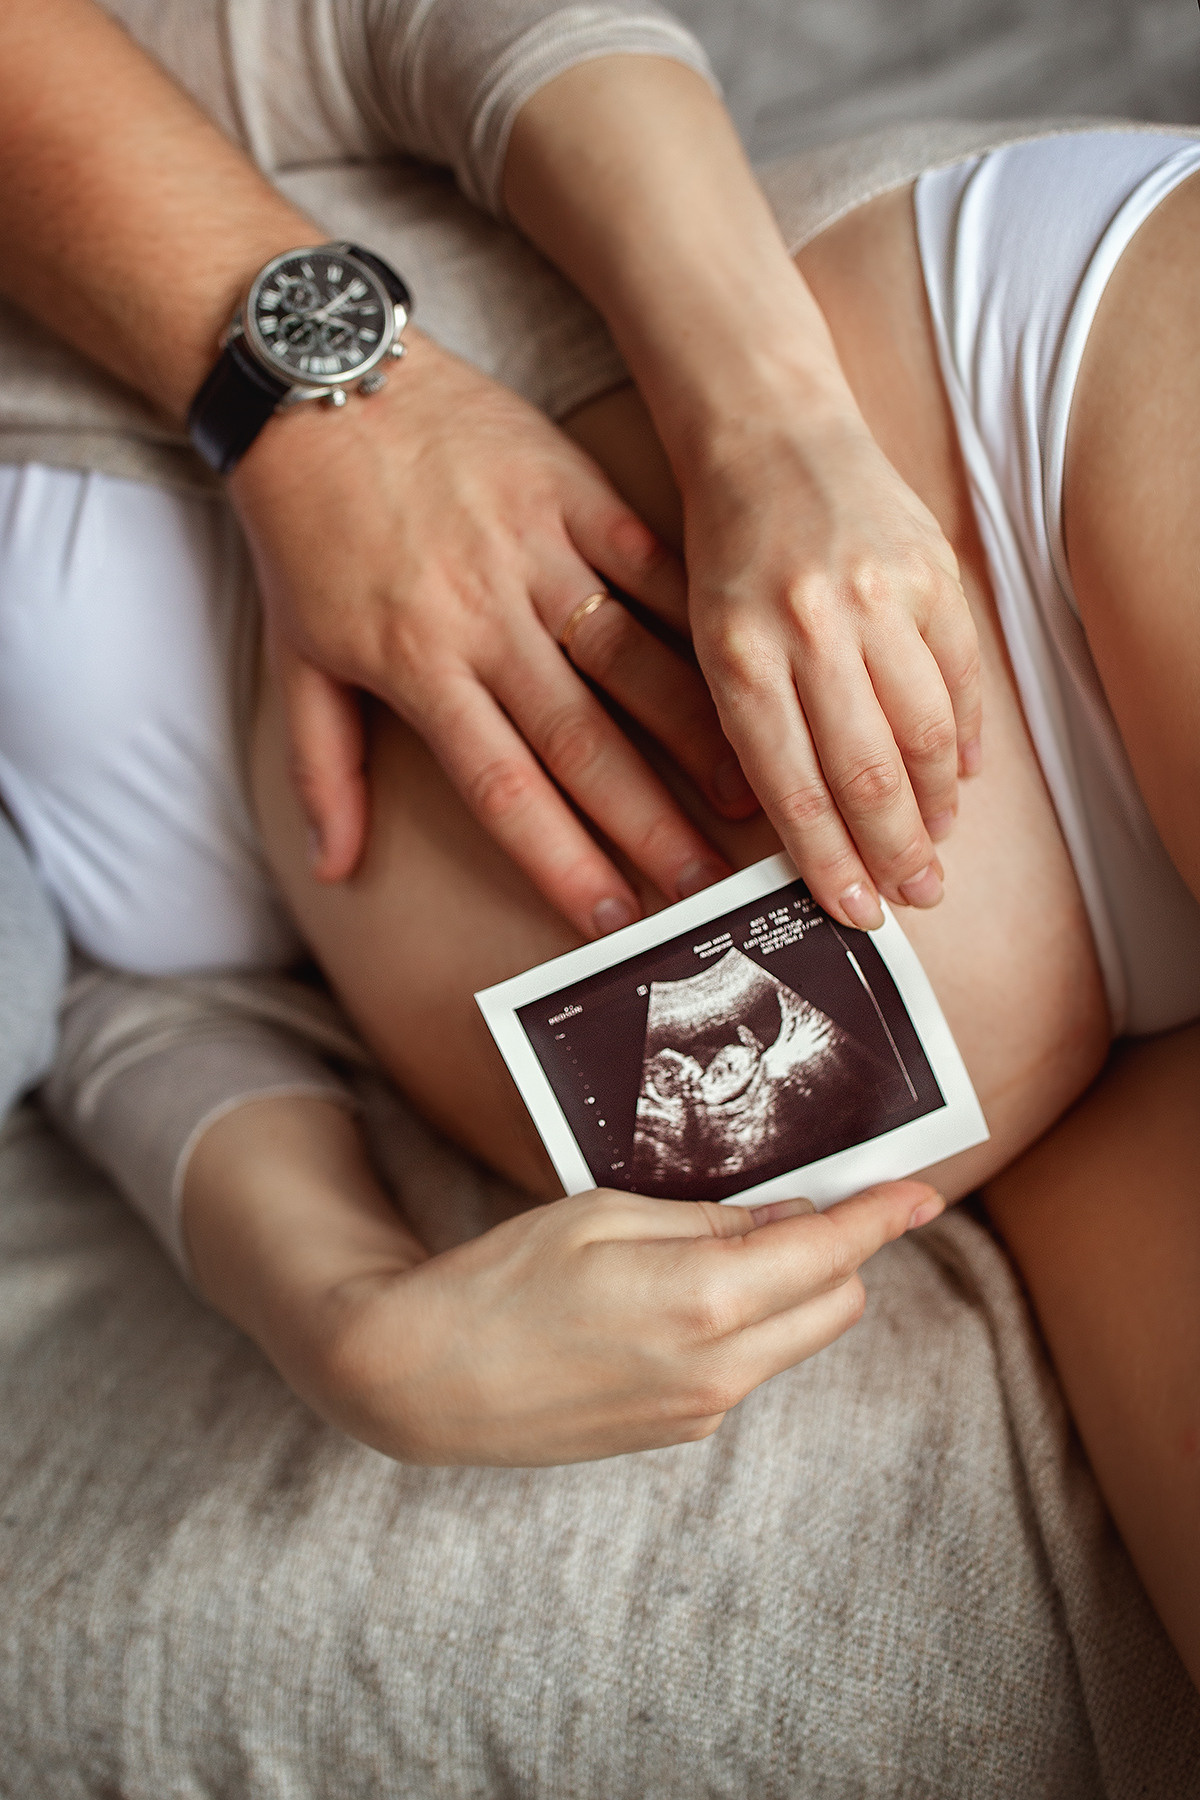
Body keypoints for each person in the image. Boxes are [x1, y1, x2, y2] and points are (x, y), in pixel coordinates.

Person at [0, 0, 1197, 1690]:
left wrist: (315, 396)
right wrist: (347, 1328)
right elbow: (144, 1012)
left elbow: (433, 23)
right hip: (1054, 1105)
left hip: (1017, 451)